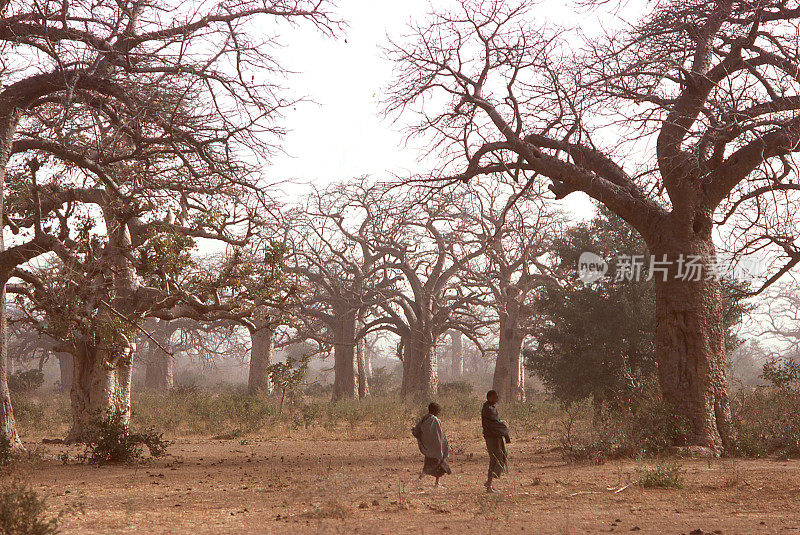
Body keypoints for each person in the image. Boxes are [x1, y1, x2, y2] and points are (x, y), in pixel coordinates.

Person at [412, 402, 451, 488]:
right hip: (437, 449)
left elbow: (418, 430)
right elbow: (439, 435)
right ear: (436, 411)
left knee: (430, 467)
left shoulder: (425, 418)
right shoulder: (435, 420)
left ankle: (423, 481)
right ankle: (420, 481)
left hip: (430, 448)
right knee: (436, 467)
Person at [482, 390, 510, 493]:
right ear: (489, 397)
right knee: (496, 458)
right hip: (492, 437)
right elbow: (493, 424)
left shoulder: (491, 408)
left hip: (495, 436)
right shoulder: (488, 409)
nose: (497, 399)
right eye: (495, 397)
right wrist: (504, 428)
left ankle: (490, 482)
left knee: (499, 456)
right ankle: (489, 483)